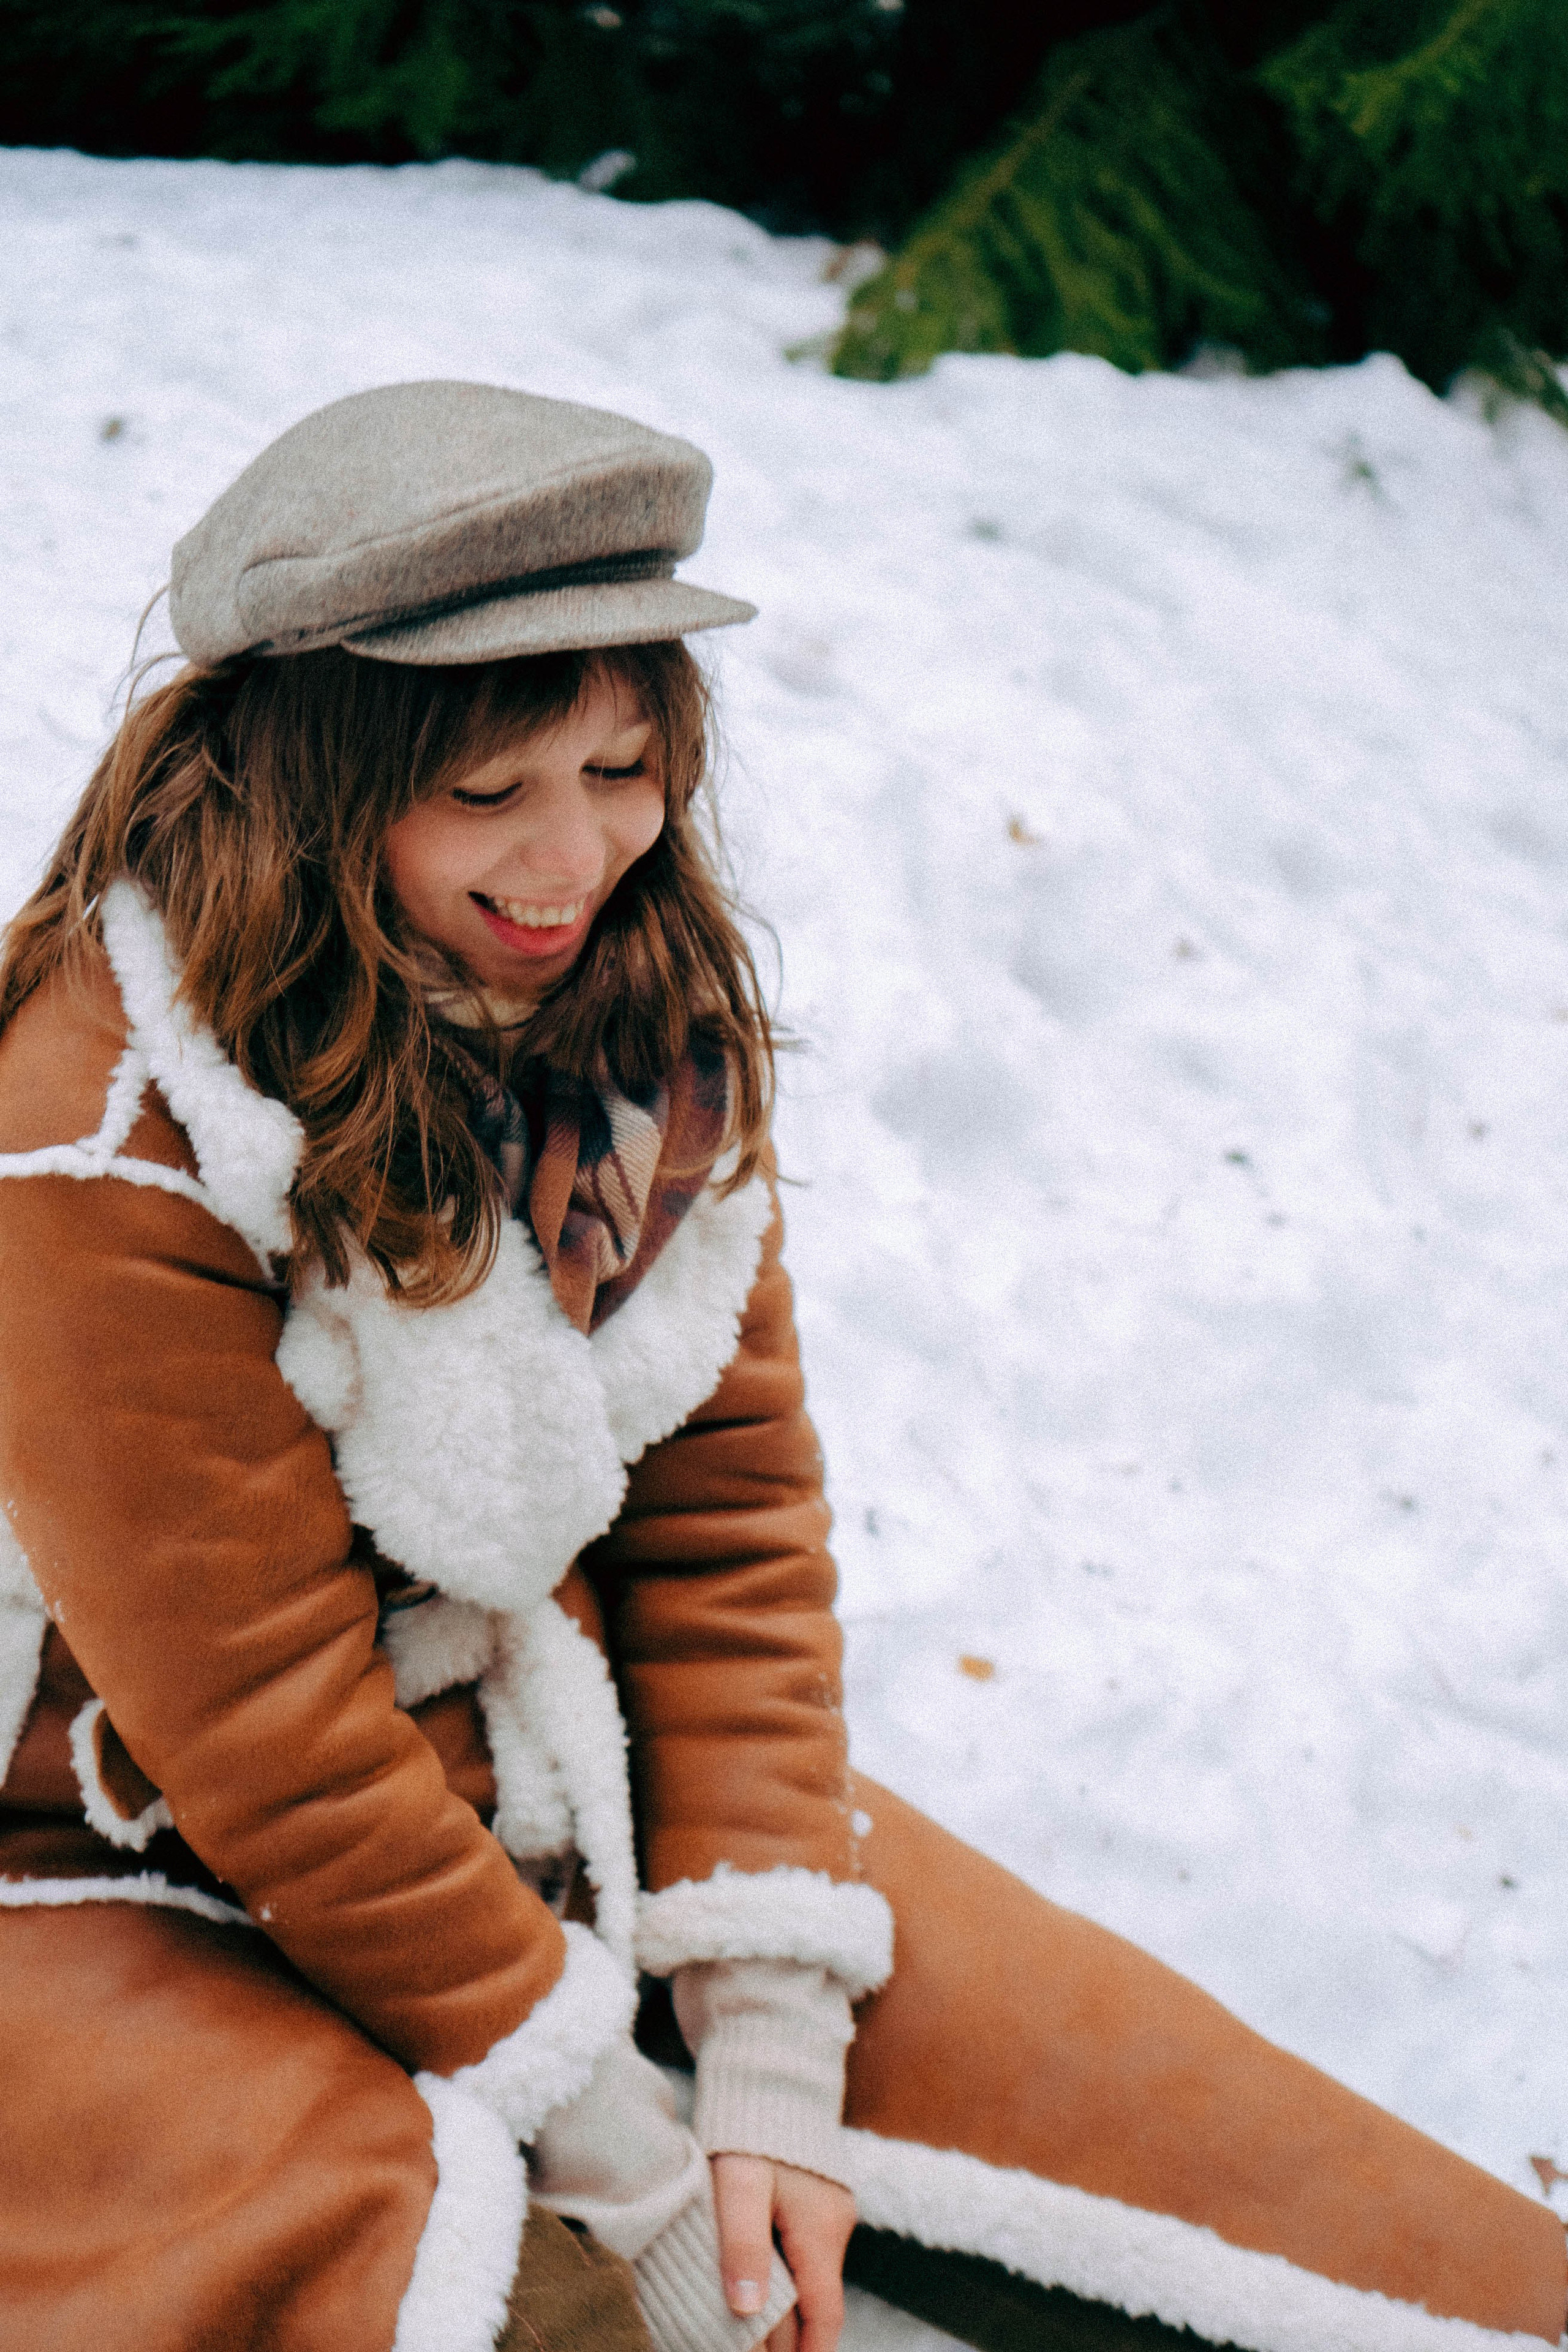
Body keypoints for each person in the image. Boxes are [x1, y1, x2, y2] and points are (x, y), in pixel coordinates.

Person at [0, 380, 1559, 2352]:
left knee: (1296, 2219)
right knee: (513, 2304)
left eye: (626, 763)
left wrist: (761, 2037)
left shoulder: (632, 1033)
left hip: (538, 1765)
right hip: (129, 1849)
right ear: (313, 779)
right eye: (489, 793)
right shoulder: (112, 1127)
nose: (578, 854)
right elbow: (264, 1737)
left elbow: (727, 1539)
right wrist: (627, 2145)